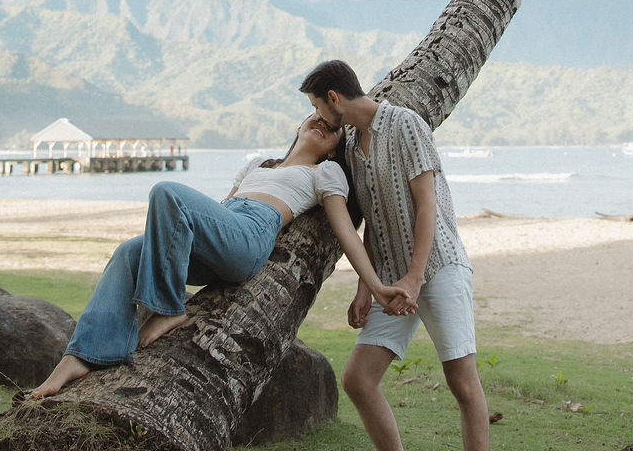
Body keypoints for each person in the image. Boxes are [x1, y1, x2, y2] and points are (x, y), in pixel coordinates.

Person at [31, 114, 415, 399]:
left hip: (251, 236)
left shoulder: (325, 172)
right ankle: (82, 356)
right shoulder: (257, 164)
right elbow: (219, 208)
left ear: (334, 147)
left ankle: (168, 308)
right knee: (130, 250)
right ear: (298, 127)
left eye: (331, 128)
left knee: (167, 191)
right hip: (222, 227)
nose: (320, 124)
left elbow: (347, 231)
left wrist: (373, 286)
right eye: (314, 118)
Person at [301, 59, 490, 451]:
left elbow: (427, 204)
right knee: (359, 380)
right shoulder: (352, 149)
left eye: (318, 106)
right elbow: (371, 221)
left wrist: (413, 274)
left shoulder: (405, 124)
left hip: (438, 266)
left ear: (334, 98)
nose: (319, 116)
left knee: (462, 382)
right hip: (391, 281)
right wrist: (367, 287)